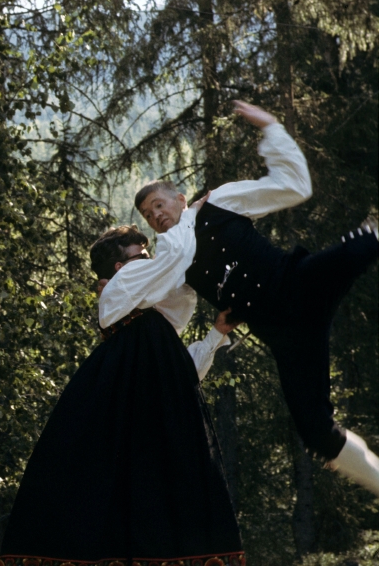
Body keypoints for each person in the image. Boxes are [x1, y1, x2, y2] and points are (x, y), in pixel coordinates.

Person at [0, 217, 247, 566]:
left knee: (183, 501)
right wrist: (186, 216)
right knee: (168, 504)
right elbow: (173, 262)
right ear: (118, 269)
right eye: (139, 256)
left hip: (161, 418)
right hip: (140, 426)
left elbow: (181, 368)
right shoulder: (120, 290)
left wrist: (216, 335)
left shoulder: (148, 313)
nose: (147, 260)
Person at [127, 100, 379, 495]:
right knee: (317, 433)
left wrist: (272, 128)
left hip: (299, 283)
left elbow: (293, 186)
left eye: (159, 204)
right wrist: (212, 331)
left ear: (179, 199)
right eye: (147, 214)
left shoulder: (218, 203)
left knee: (365, 245)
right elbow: (163, 307)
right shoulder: (171, 261)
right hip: (285, 335)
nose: (156, 215)